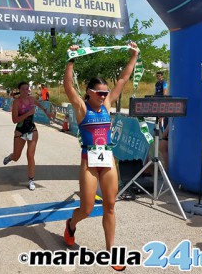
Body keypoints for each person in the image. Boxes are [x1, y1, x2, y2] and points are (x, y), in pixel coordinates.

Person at [63, 42, 139, 272]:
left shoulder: (106, 104)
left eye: (106, 92)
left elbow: (123, 80)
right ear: (89, 92)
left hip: (107, 159)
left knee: (110, 206)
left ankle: (110, 251)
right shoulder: (82, 108)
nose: (104, 95)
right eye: (100, 92)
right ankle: (71, 224)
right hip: (88, 161)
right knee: (86, 208)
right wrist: (71, 59)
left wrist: (133, 56)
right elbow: (68, 86)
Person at [3, 81, 54, 190]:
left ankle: (31, 180)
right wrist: (27, 113)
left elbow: (40, 105)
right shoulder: (16, 102)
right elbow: (14, 120)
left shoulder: (31, 99)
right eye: (23, 89)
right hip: (20, 131)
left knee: (30, 155)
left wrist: (47, 113)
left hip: (32, 129)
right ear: (20, 91)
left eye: (27, 89)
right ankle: (10, 157)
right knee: (17, 157)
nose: (26, 91)